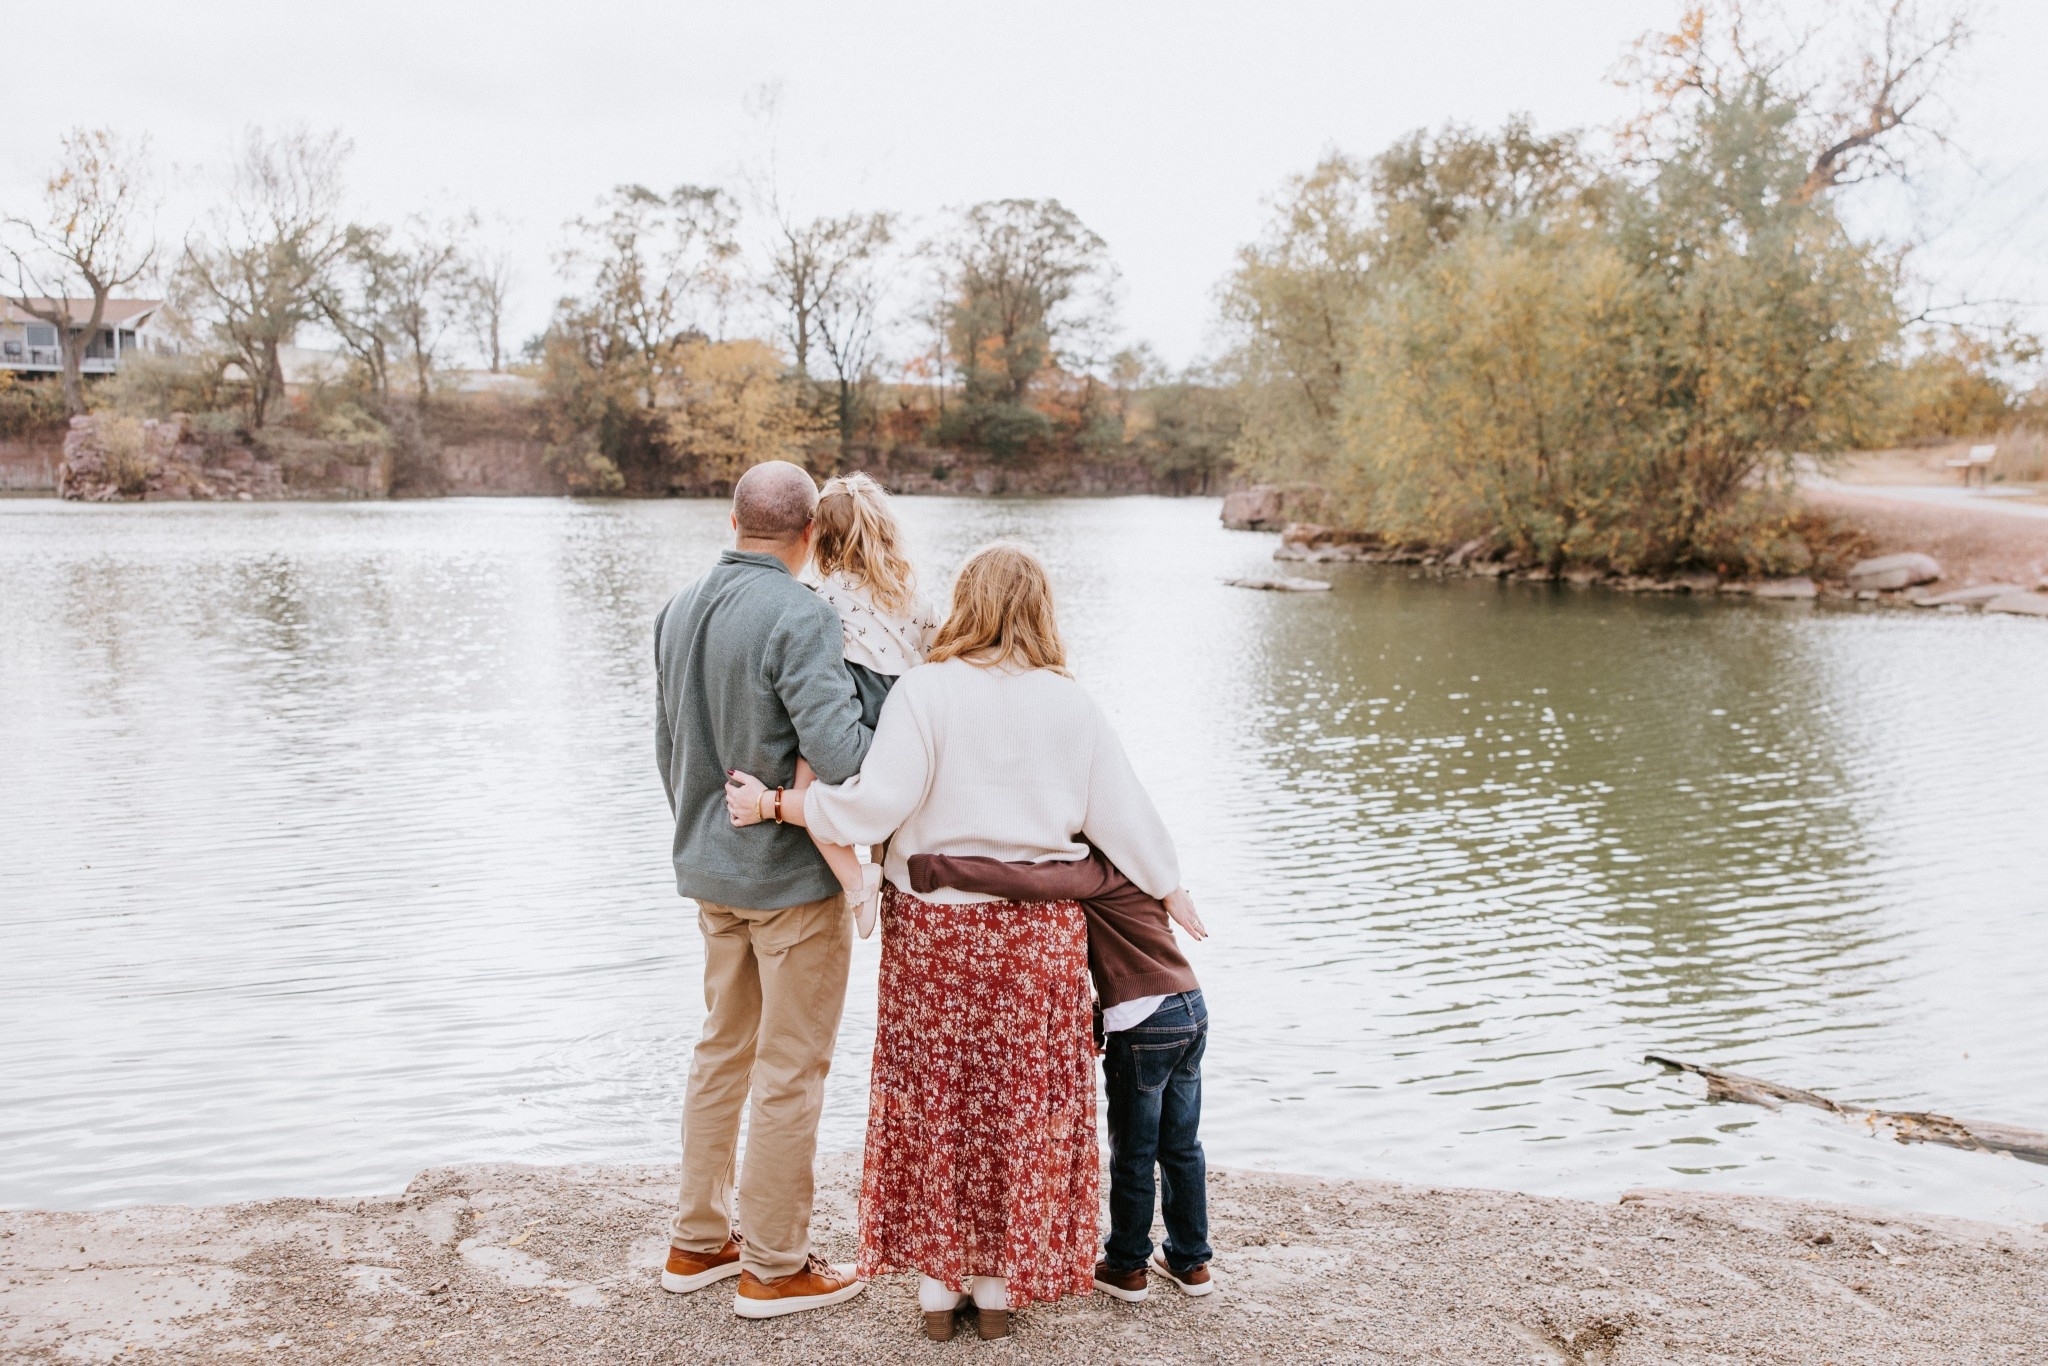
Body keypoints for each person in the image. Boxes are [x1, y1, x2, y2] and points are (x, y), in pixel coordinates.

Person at [723, 542, 1194, 1342]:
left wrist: (781, 806)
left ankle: (940, 1290)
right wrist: (1172, 885)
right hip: (1033, 939)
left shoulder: (924, 691)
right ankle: (998, 1284)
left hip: (934, 939)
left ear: (965, 603)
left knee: (936, 1100)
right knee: (1017, 1105)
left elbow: (874, 806)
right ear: (1041, 609)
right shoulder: (1069, 704)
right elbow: (1125, 817)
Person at [652, 460, 873, 1320]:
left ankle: (697, 1242)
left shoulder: (676, 609)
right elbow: (846, 762)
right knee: (790, 1071)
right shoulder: (802, 615)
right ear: (811, 533)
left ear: (732, 518)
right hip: (789, 880)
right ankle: (776, 1267)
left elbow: (668, 750)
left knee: (720, 1053)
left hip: (711, 872)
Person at [906, 849, 1215, 1302]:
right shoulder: (1146, 866)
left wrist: (939, 869)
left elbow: (1025, 880)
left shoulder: (1096, 870)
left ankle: (1127, 1267)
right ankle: (1192, 1263)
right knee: (1182, 1145)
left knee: (1133, 1150)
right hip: (1188, 1007)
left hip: (1144, 1022)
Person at [796, 473, 940, 937]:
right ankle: (882, 868)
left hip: (859, 701)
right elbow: (942, 651)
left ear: (822, 539)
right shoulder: (912, 596)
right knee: (888, 812)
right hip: (907, 707)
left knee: (805, 786)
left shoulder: (823, 599)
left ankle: (856, 885)